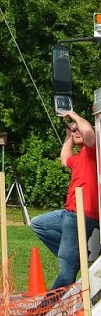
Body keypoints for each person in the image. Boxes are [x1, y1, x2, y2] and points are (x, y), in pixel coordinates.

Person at [30, 109, 99, 295]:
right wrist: (69, 134)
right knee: (38, 224)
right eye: (74, 131)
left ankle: (47, 307)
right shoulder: (79, 158)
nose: (77, 132)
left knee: (66, 270)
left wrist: (74, 116)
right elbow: (64, 159)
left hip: (82, 214)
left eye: (78, 130)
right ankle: (76, 257)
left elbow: (88, 131)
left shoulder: (93, 153)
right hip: (69, 213)